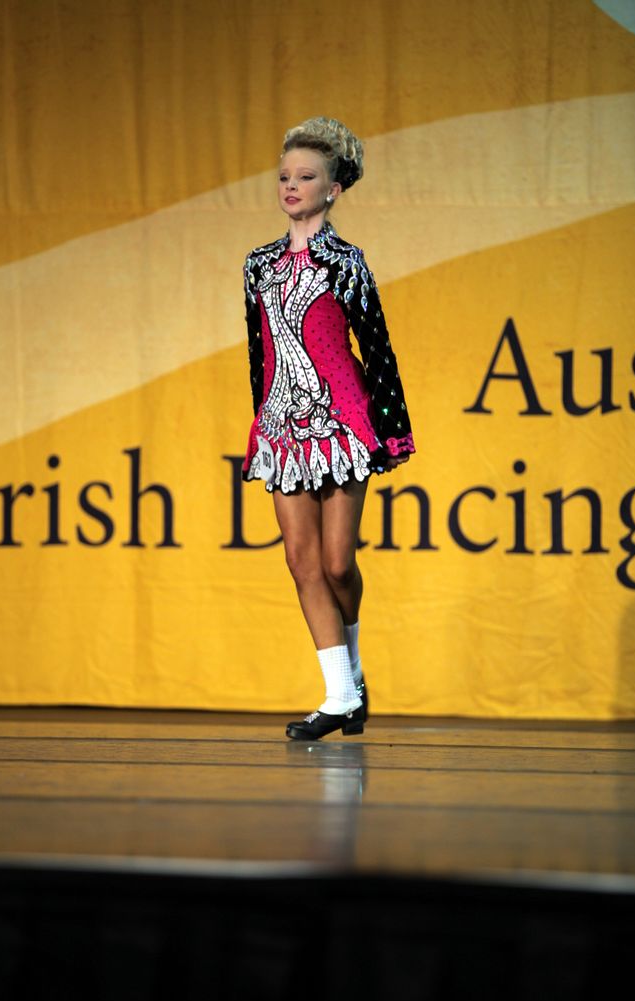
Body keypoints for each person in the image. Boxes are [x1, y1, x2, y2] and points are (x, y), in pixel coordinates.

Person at [241, 116, 415, 740]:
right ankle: (339, 695)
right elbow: (259, 352)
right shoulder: (258, 265)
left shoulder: (346, 263)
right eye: (284, 176)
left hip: (341, 422)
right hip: (282, 425)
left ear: (333, 188)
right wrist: (262, 421)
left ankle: (354, 674)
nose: (291, 186)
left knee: (338, 564)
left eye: (306, 177)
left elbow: (377, 347)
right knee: (301, 561)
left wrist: (391, 429)